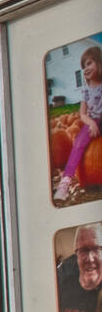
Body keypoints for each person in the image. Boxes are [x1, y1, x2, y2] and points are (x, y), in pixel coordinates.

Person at [59, 44, 102, 205]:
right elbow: (82, 114)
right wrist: (91, 123)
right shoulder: (85, 91)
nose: (86, 68)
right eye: (84, 66)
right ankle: (65, 182)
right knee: (78, 143)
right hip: (93, 121)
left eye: (90, 63)